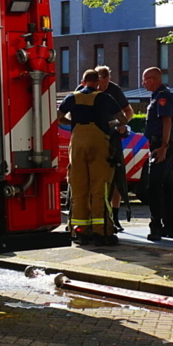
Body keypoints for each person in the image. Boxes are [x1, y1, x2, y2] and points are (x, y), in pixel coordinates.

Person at [58, 69, 128, 246]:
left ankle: (80, 231)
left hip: (77, 143)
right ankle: (102, 232)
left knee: (79, 188)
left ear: (82, 82)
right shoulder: (104, 97)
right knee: (100, 187)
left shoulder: (71, 97)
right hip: (99, 142)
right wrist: (111, 123)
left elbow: (59, 118)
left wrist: (72, 123)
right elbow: (123, 118)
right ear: (97, 83)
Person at [96, 65, 135, 231]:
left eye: (104, 85)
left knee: (116, 178)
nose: (101, 88)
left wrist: (122, 125)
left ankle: (115, 217)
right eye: (99, 85)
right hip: (95, 138)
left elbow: (129, 111)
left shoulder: (115, 90)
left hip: (112, 138)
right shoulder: (86, 88)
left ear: (109, 80)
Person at [142, 66, 173, 241]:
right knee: (168, 187)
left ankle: (156, 227)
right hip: (160, 144)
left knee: (154, 186)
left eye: (145, 79)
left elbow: (167, 122)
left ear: (154, 79)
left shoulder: (163, 96)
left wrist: (163, 146)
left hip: (160, 146)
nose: (143, 83)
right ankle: (171, 226)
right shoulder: (158, 96)